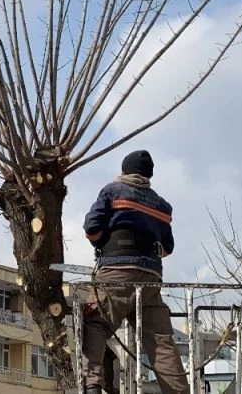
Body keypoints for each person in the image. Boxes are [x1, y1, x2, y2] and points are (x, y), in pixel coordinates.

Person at [81, 150, 189, 394]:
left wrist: (106, 242)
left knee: (95, 322)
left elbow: (91, 228)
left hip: (116, 273)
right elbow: (167, 247)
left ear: (124, 170)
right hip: (150, 279)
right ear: (149, 174)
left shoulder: (111, 191)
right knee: (161, 342)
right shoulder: (162, 205)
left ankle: (92, 385)